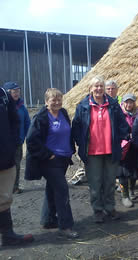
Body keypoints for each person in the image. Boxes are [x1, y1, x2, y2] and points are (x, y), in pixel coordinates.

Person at [72, 76, 129, 223]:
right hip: (92, 152)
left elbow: (123, 125)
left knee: (110, 182)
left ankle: (110, 208)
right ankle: (98, 210)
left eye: (101, 86)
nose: (98, 89)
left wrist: (120, 140)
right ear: (90, 88)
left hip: (111, 150)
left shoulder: (113, 105)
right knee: (95, 183)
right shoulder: (83, 106)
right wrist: (81, 143)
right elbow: (76, 127)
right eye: (95, 86)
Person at [25, 88, 78, 238]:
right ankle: (65, 226)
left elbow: (67, 133)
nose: (56, 102)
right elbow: (31, 140)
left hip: (64, 159)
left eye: (59, 99)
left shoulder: (63, 113)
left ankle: (47, 220)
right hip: (50, 161)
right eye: (53, 100)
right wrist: (48, 155)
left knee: (52, 188)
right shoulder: (41, 117)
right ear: (46, 102)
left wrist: (71, 149)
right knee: (62, 190)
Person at [0, 86, 34, 246]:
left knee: (4, 198)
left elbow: (15, 121)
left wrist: (12, 144)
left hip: (4, 157)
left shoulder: (3, 96)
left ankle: (8, 235)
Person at [3, 82, 31, 194]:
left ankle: (15, 187)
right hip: (5, 143)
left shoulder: (21, 107)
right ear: (7, 93)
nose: (16, 93)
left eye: (18, 91)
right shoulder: (3, 106)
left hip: (18, 141)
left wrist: (28, 136)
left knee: (16, 165)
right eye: (14, 91)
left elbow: (27, 122)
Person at [117, 93, 138, 208]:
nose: (129, 104)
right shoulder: (119, 114)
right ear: (123, 103)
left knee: (134, 172)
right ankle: (124, 195)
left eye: (131, 102)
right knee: (122, 172)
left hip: (135, 147)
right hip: (123, 146)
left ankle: (131, 191)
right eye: (127, 102)